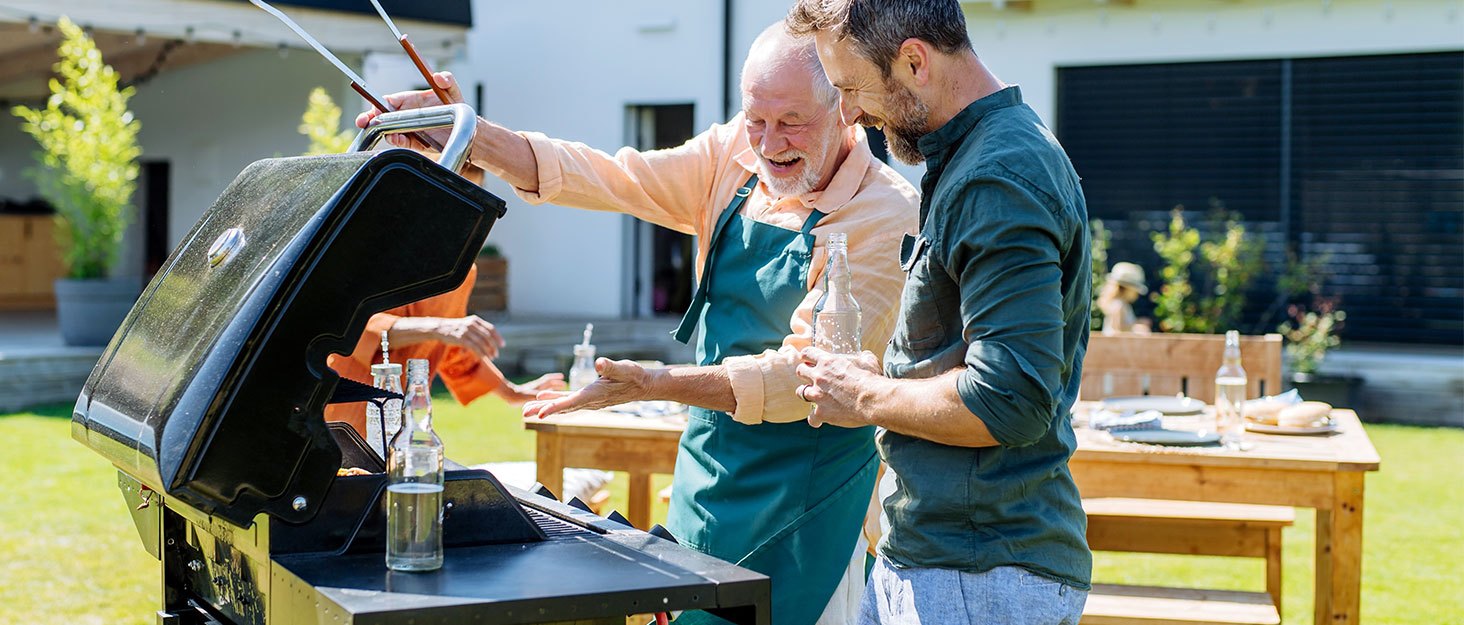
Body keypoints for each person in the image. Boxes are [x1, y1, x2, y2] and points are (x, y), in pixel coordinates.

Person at [358, 24, 918, 625]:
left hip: (809, 498)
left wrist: (655, 384)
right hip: (708, 472)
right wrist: (473, 134)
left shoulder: (884, 212)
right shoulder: (732, 154)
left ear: (847, 109)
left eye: (791, 122)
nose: (768, 143)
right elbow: (612, 176)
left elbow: (801, 378)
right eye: (755, 119)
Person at [786, 1, 1092, 623]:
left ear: (914, 61)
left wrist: (866, 395)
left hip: (976, 575)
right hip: (937, 560)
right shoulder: (973, 153)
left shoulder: (998, 175)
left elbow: (1008, 398)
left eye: (850, 88)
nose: (848, 113)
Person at [325, 263, 563, 438]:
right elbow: (351, 326)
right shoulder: (380, 250)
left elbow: (452, 345)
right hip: (342, 410)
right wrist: (439, 326)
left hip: (404, 422)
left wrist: (510, 392)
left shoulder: (463, 270)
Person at [1097, 261, 1151, 335]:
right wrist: (1136, 327)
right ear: (1127, 289)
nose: (1137, 294)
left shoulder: (1122, 304)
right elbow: (1118, 328)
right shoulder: (1118, 305)